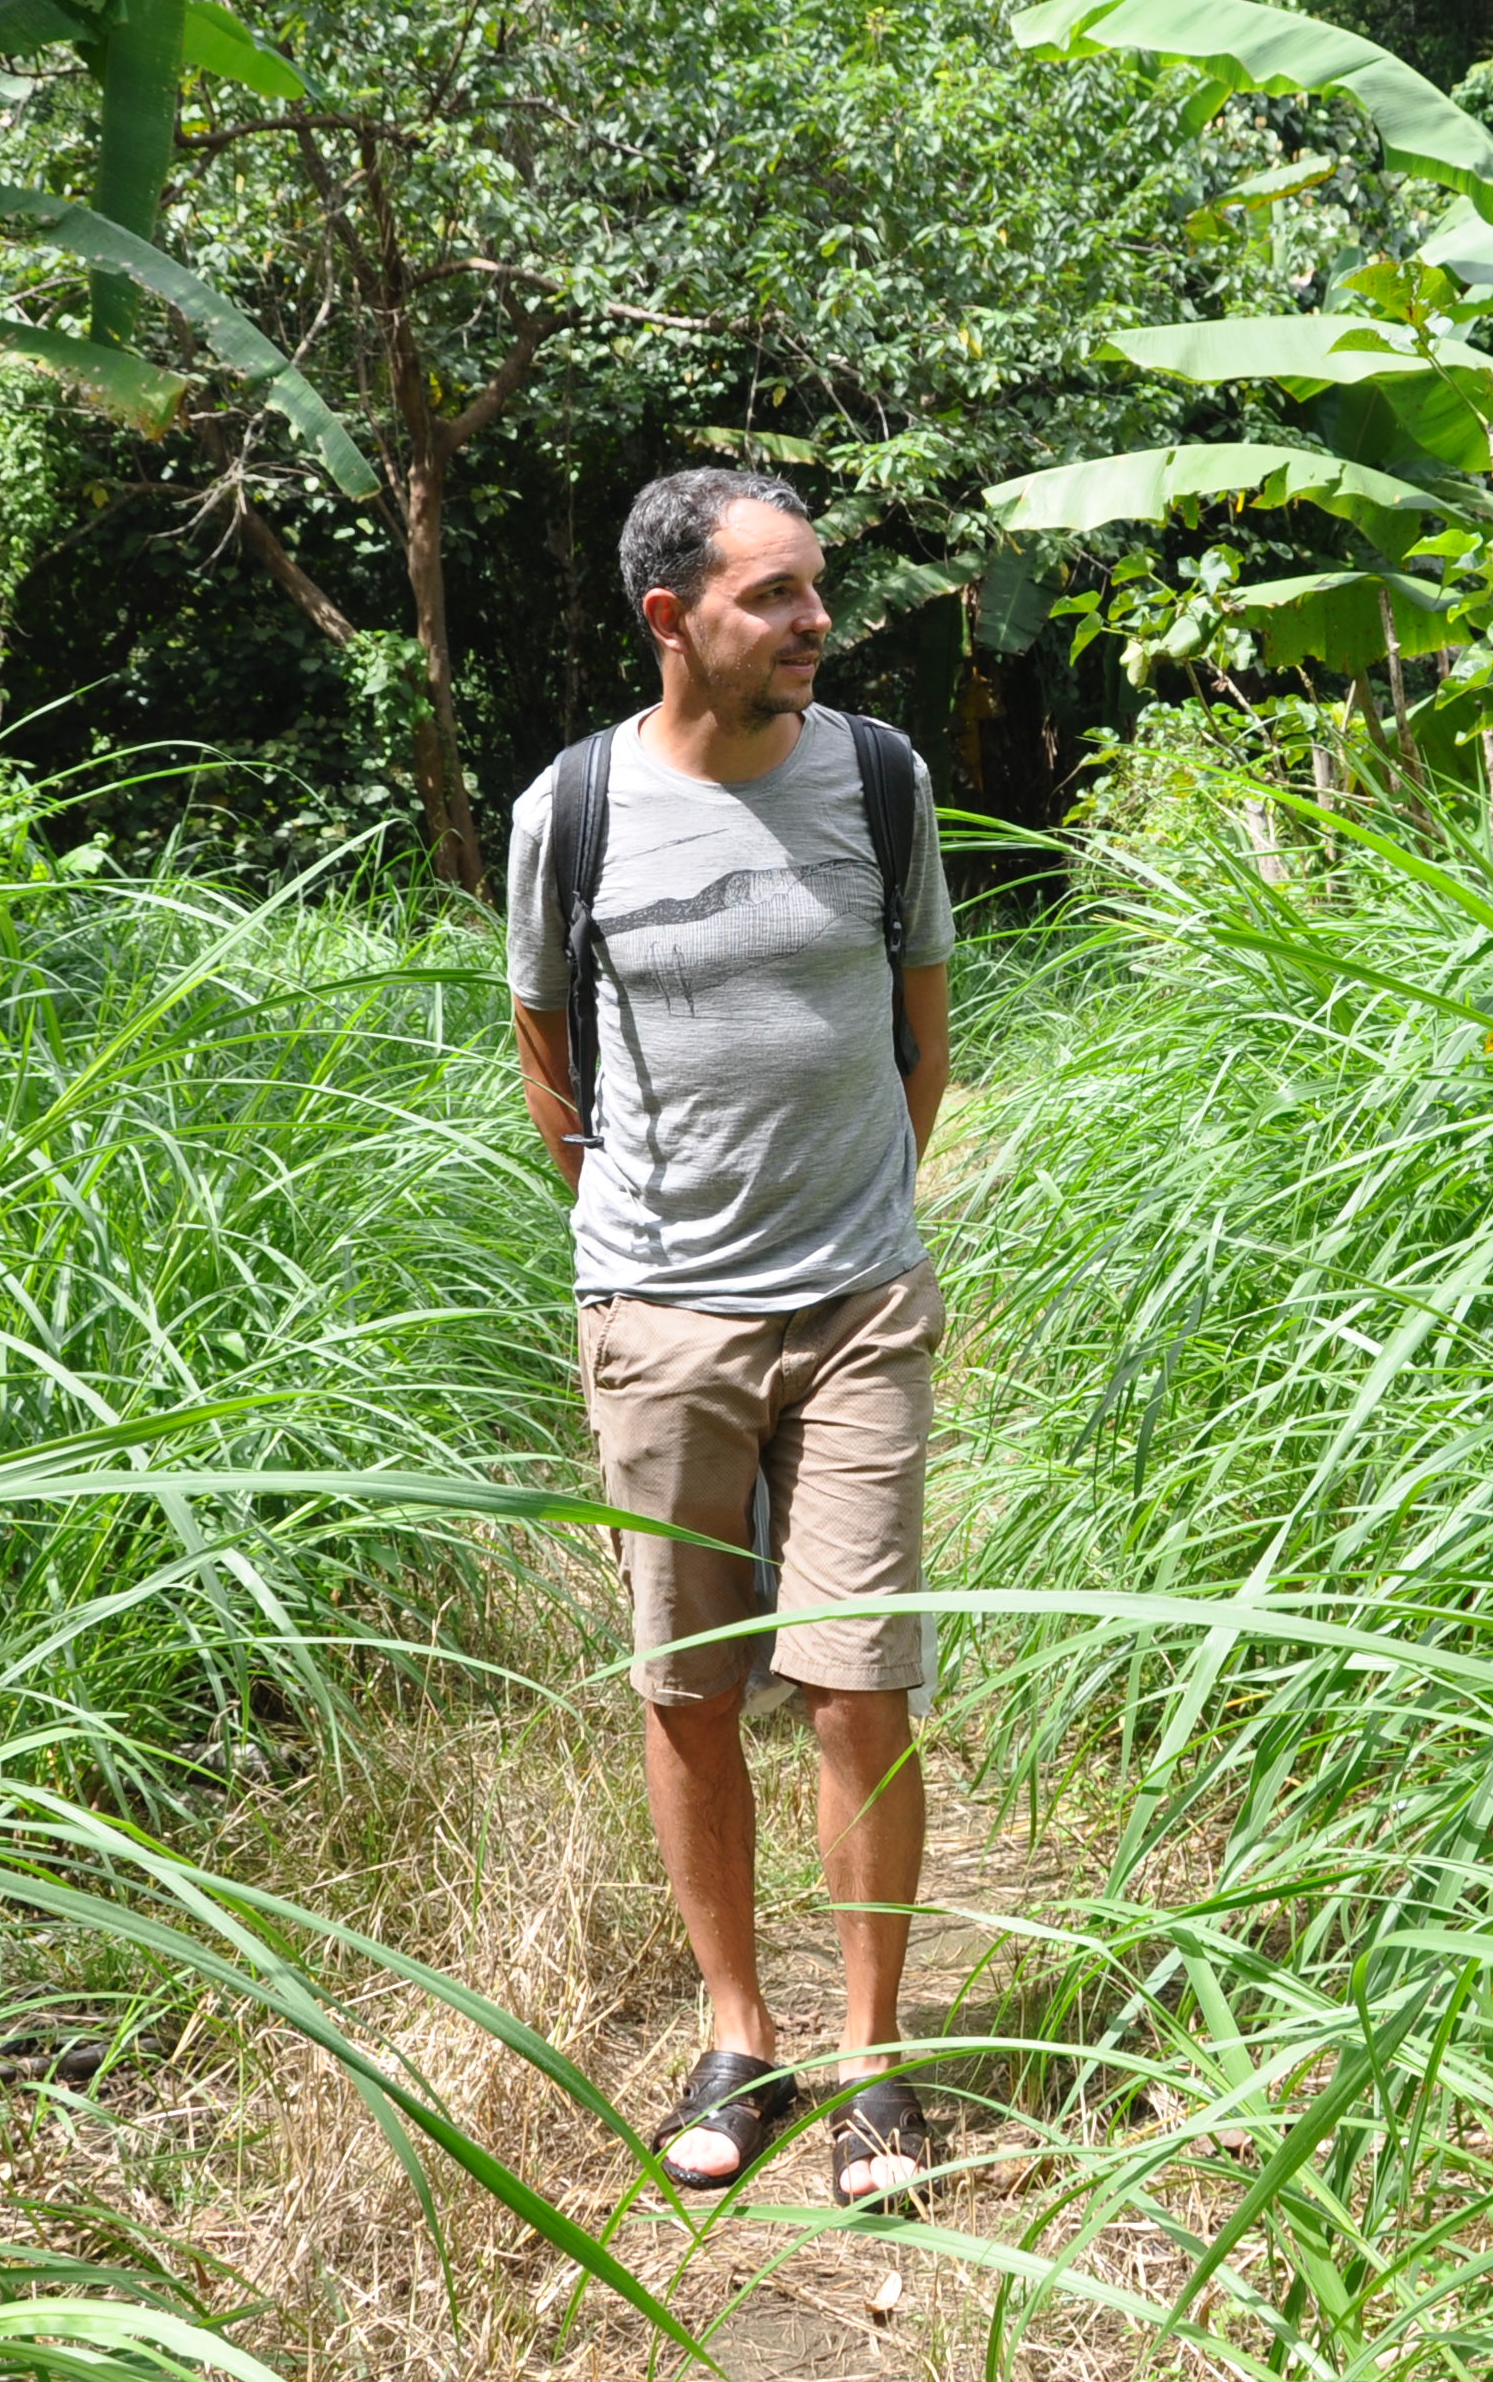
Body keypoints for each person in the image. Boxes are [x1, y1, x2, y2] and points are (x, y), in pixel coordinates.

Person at [505, 466, 952, 2214]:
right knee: (691, 1688)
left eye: (816, 590)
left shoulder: (881, 781)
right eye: (776, 597)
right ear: (672, 619)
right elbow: (551, 1049)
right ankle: (737, 2034)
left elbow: (923, 1044)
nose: (816, 623)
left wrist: (851, 1226)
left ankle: (873, 2063)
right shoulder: (577, 809)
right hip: (661, 1312)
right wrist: (638, 1253)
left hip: (856, 1305)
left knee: (858, 1681)